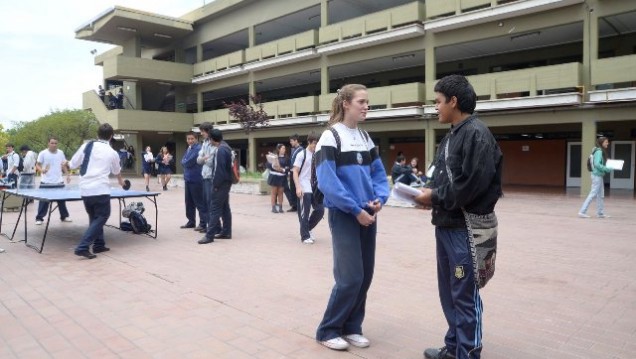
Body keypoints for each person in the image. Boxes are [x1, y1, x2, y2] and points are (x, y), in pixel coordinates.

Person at [414, 74, 503, 359]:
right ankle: (454, 348)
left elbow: (471, 186)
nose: (435, 107)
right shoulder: (454, 134)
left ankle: (468, 353)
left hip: (465, 228)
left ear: (454, 101)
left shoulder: (476, 133)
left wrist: (435, 197)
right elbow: (446, 181)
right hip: (446, 225)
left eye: (438, 101)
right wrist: (429, 195)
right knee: (450, 293)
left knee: (465, 296)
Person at [315, 84, 390, 351]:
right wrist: (355, 210)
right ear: (346, 103)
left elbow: (378, 175)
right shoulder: (330, 137)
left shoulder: (364, 137)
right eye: (362, 101)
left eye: (368, 102)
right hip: (346, 215)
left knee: (365, 275)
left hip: (367, 214)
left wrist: (379, 199)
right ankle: (328, 329)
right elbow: (328, 182)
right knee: (350, 277)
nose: (366, 106)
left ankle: (352, 327)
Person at [67, 123, 124, 259]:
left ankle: (99, 244)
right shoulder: (112, 152)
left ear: (97, 135)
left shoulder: (86, 146)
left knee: (94, 218)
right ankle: (83, 246)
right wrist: (121, 182)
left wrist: (66, 164)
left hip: (85, 189)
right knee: (102, 216)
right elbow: (117, 171)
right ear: (111, 137)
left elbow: (73, 164)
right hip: (100, 189)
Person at [197, 129, 233, 244]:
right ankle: (226, 232)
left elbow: (220, 170)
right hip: (226, 183)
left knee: (214, 209)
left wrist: (216, 185)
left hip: (221, 184)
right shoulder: (225, 147)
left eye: (209, 139)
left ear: (212, 139)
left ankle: (209, 235)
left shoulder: (221, 150)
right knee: (224, 208)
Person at [292, 131, 324, 244]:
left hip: (314, 186)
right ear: (309, 142)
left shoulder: (317, 155)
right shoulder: (302, 154)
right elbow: (295, 171)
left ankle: (308, 228)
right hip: (303, 185)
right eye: (314, 143)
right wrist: (298, 187)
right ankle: (305, 236)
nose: (316, 145)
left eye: (317, 143)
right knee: (304, 212)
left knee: (320, 210)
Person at [35, 137, 72, 225]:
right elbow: (37, 165)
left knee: (62, 201)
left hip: (59, 181)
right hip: (46, 182)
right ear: (48, 143)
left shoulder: (61, 153)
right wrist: (41, 170)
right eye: (52, 143)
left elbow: (63, 165)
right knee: (43, 202)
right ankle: (39, 218)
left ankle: (64, 216)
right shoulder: (43, 153)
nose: (54, 145)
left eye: (55, 143)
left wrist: (67, 175)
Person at [197, 122, 223, 238]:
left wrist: (204, 160)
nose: (201, 133)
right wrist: (204, 159)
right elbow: (199, 159)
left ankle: (216, 227)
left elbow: (211, 161)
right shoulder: (205, 143)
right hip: (205, 176)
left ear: (208, 132)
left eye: (203, 131)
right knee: (206, 203)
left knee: (212, 203)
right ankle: (210, 225)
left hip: (212, 177)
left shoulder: (215, 144)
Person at [578, 136, 614, 218]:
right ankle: (582, 211)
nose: (607, 143)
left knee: (600, 194)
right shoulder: (599, 151)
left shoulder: (598, 151)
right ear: (602, 143)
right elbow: (597, 164)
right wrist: (606, 169)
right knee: (593, 193)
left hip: (599, 175)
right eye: (606, 142)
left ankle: (600, 213)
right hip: (596, 175)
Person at [181, 132, 208, 232]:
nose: (190, 141)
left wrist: (184, 161)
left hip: (196, 179)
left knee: (199, 202)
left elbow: (187, 162)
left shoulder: (198, 149)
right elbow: (183, 160)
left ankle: (203, 223)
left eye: (192, 139)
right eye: (188, 139)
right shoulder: (189, 148)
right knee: (189, 202)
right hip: (188, 179)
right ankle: (191, 221)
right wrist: (184, 161)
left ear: (196, 139)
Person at [267, 144, 290, 213]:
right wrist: (274, 166)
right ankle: (273, 207)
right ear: (279, 149)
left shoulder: (286, 158)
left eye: (284, 149)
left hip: (282, 176)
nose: (284, 150)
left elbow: (288, 167)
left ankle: (280, 207)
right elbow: (268, 165)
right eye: (282, 148)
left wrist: (282, 170)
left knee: (281, 192)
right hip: (274, 176)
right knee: (274, 192)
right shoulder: (274, 157)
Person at [286, 134, 303, 212]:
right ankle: (294, 206)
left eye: (292, 141)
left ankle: (299, 206)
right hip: (292, 171)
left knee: (297, 188)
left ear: (296, 141)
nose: (291, 143)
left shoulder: (301, 150)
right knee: (292, 188)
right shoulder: (293, 149)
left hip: (297, 172)